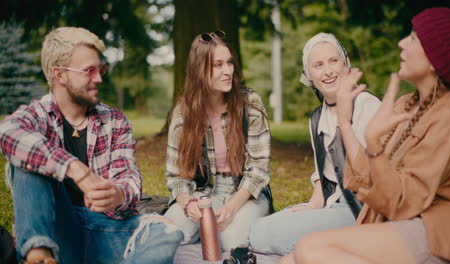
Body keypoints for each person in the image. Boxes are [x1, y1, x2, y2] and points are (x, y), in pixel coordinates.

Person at [281, 7, 450, 264]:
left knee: (309, 250)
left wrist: (374, 145)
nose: (402, 43)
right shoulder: (405, 104)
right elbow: (367, 181)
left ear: (437, 58)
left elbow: (399, 203)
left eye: (413, 38)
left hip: (436, 231)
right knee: (289, 260)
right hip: (397, 219)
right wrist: (345, 123)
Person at [0, 27, 183, 264]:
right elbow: (8, 132)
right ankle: (39, 254)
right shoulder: (37, 116)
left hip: (105, 228)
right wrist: (75, 169)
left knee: (167, 231)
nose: (99, 78)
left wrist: (117, 194)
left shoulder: (115, 120)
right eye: (89, 71)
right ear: (60, 75)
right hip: (56, 230)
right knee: (28, 158)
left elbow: (129, 178)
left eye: (100, 69)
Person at [249, 33, 380, 255]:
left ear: (345, 64)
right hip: (335, 203)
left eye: (333, 61)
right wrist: (311, 208)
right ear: (309, 75)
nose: (328, 71)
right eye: (318, 65)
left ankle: (339, 247)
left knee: (267, 234)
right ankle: (326, 246)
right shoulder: (317, 118)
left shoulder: (365, 104)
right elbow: (324, 176)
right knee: (259, 229)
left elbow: (375, 175)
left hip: (365, 209)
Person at [164, 30, 272, 252]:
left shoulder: (249, 103)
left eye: (230, 63)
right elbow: (176, 176)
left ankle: (245, 224)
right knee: (166, 234)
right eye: (218, 65)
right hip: (202, 192)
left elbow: (259, 170)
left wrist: (232, 207)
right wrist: (187, 203)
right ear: (200, 70)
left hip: (244, 192)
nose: (228, 71)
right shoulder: (183, 113)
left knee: (231, 242)